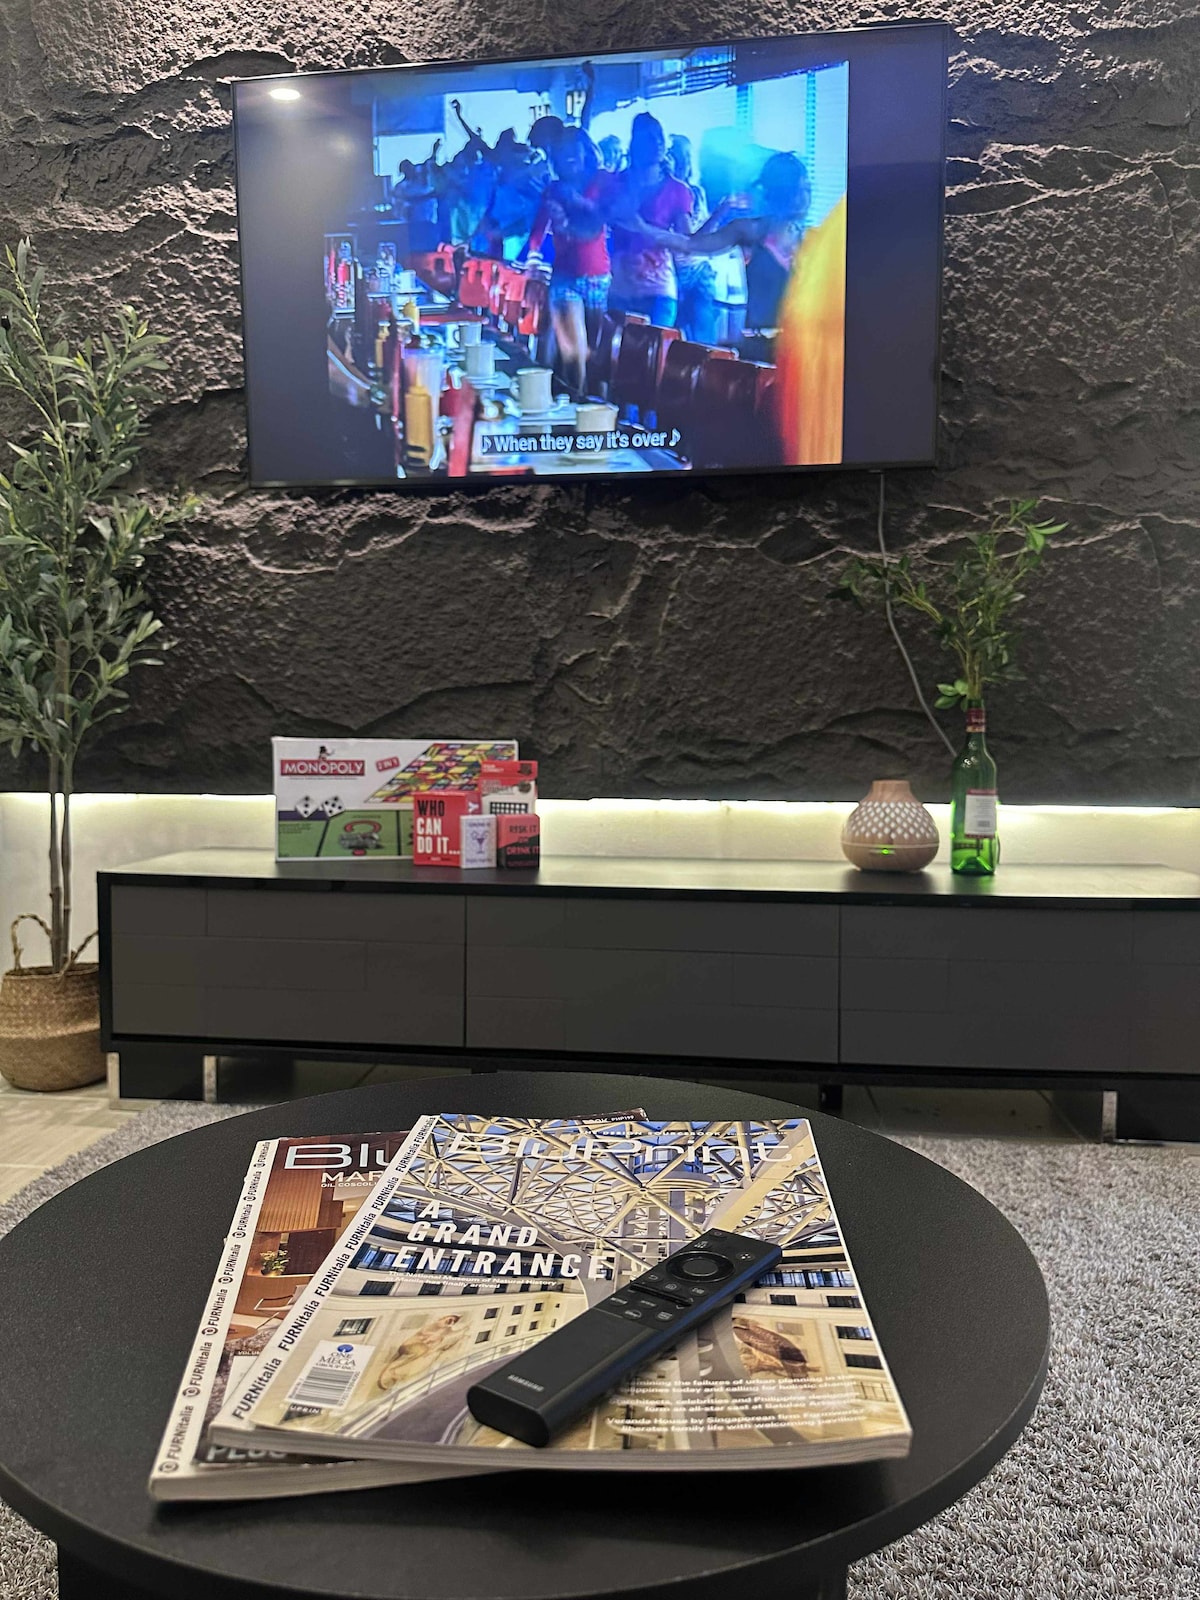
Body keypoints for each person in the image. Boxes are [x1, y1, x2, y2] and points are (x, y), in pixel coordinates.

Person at [657, 150, 813, 353]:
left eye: (807, 190)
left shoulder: (811, 238)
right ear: (781, 193)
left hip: (801, 347)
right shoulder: (751, 231)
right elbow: (691, 245)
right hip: (760, 348)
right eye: (798, 191)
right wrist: (643, 229)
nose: (805, 198)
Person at [522, 126, 614, 393]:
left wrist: (571, 210)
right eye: (562, 150)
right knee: (575, 356)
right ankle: (575, 409)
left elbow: (597, 224)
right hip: (565, 278)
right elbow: (538, 230)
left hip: (600, 277)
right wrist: (533, 258)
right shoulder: (553, 189)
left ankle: (595, 412)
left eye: (574, 147)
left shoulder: (602, 181)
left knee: (595, 359)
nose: (569, 154)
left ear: (586, 150)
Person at [606, 112, 694, 326]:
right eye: (649, 137)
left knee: (652, 345)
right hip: (619, 287)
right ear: (635, 144)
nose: (657, 143)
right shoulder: (615, 183)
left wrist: (643, 228)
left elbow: (687, 243)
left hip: (658, 290)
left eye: (659, 136)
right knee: (613, 346)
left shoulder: (677, 189)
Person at [666, 135, 719, 344]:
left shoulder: (697, 193)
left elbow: (701, 238)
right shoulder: (662, 192)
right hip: (669, 273)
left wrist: (719, 215)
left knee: (702, 340)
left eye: (687, 157)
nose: (684, 163)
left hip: (698, 271)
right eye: (678, 157)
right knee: (670, 338)